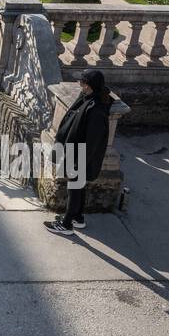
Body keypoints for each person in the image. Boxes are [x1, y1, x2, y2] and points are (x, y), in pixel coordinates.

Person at [44, 69, 111, 236]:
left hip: (82, 156)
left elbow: (93, 140)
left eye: (81, 81)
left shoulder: (96, 109)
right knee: (78, 187)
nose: (79, 84)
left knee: (74, 188)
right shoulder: (87, 98)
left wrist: (79, 164)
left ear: (88, 85)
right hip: (77, 152)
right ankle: (78, 218)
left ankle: (66, 224)